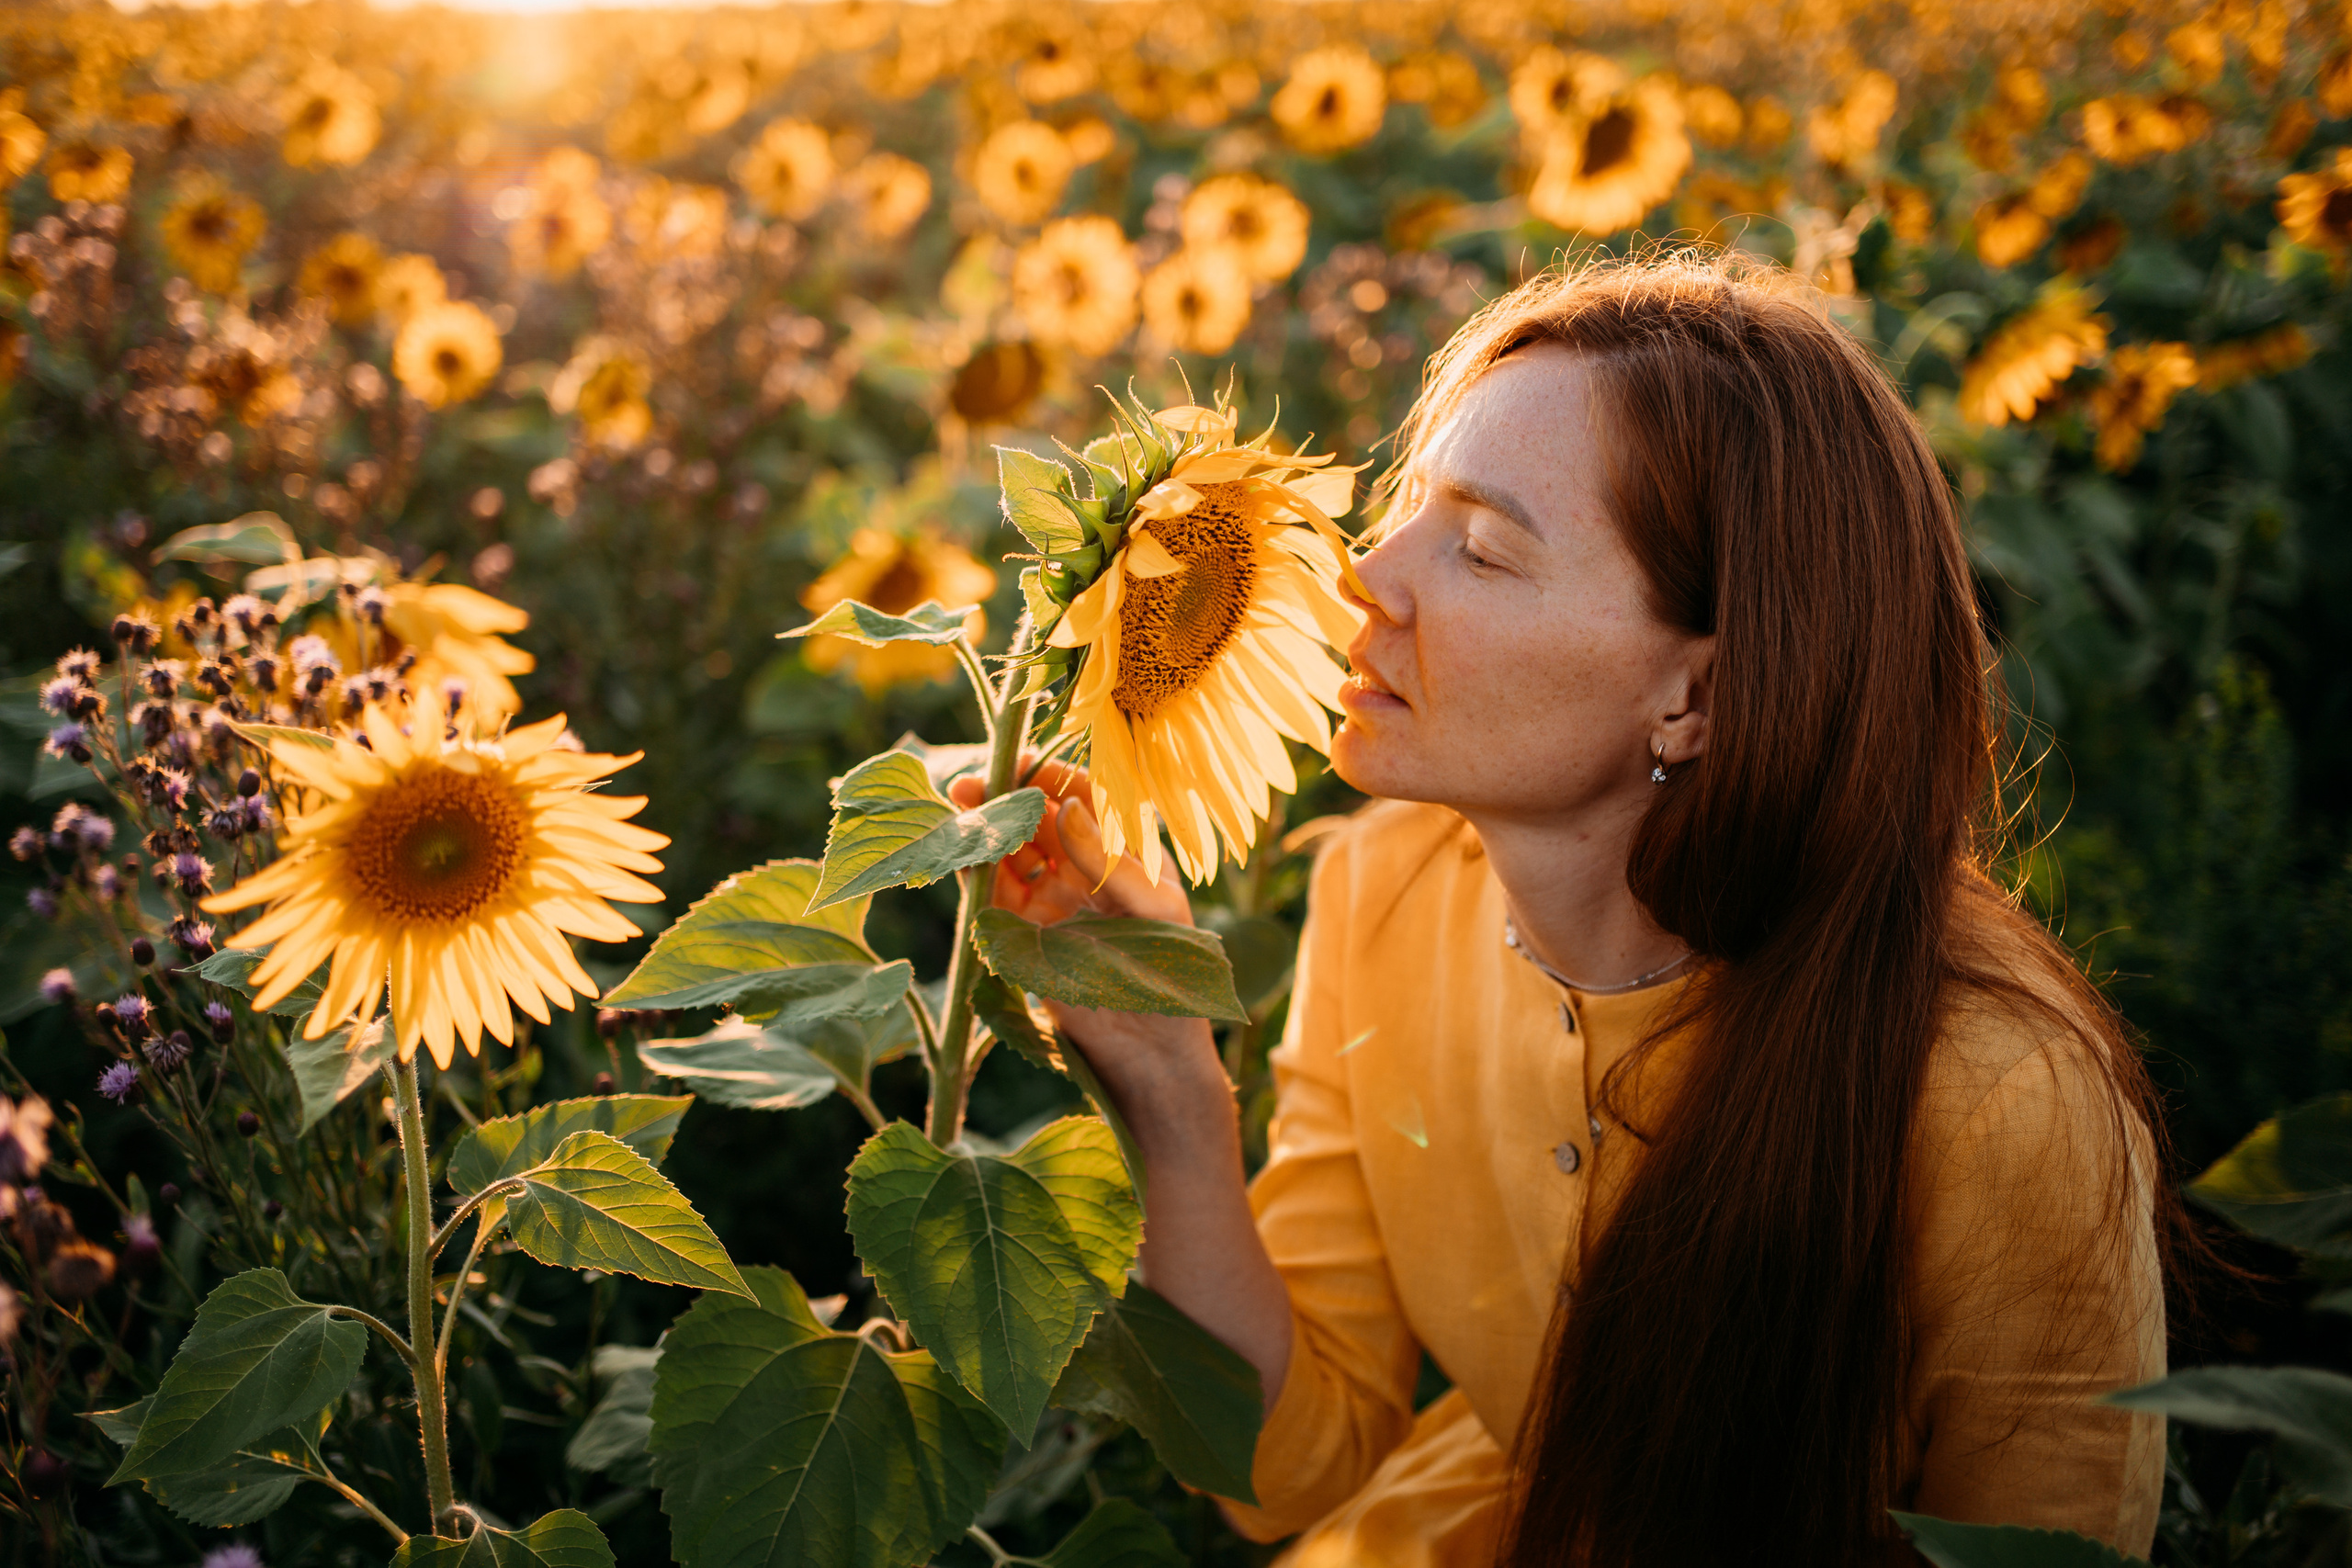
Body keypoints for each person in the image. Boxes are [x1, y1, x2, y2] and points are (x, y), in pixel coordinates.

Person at [969, 253, 2177, 1567]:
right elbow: (1289, 1468)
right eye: (1406, 508)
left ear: (1698, 700)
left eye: (1481, 548)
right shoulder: (1383, 893)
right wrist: (1172, 1090)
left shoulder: (1999, 1099)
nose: (1360, 578)